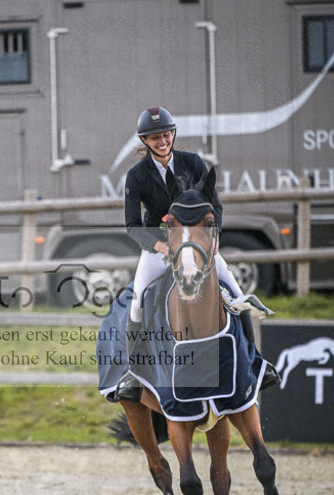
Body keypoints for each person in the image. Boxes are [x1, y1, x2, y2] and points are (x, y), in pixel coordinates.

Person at [114, 106, 278, 400]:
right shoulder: (137, 175)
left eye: (166, 135)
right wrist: (161, 246)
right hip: (159, 246)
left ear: (172, 134)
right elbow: (131, 225)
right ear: (144, 141)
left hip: (199, 244)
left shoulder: (193, 163)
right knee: (137, 299)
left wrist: (214, 241)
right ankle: (134, 374)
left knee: (236, 291)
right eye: (155, 138)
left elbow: (215, 206)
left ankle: (256, 362)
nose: (162, 141)